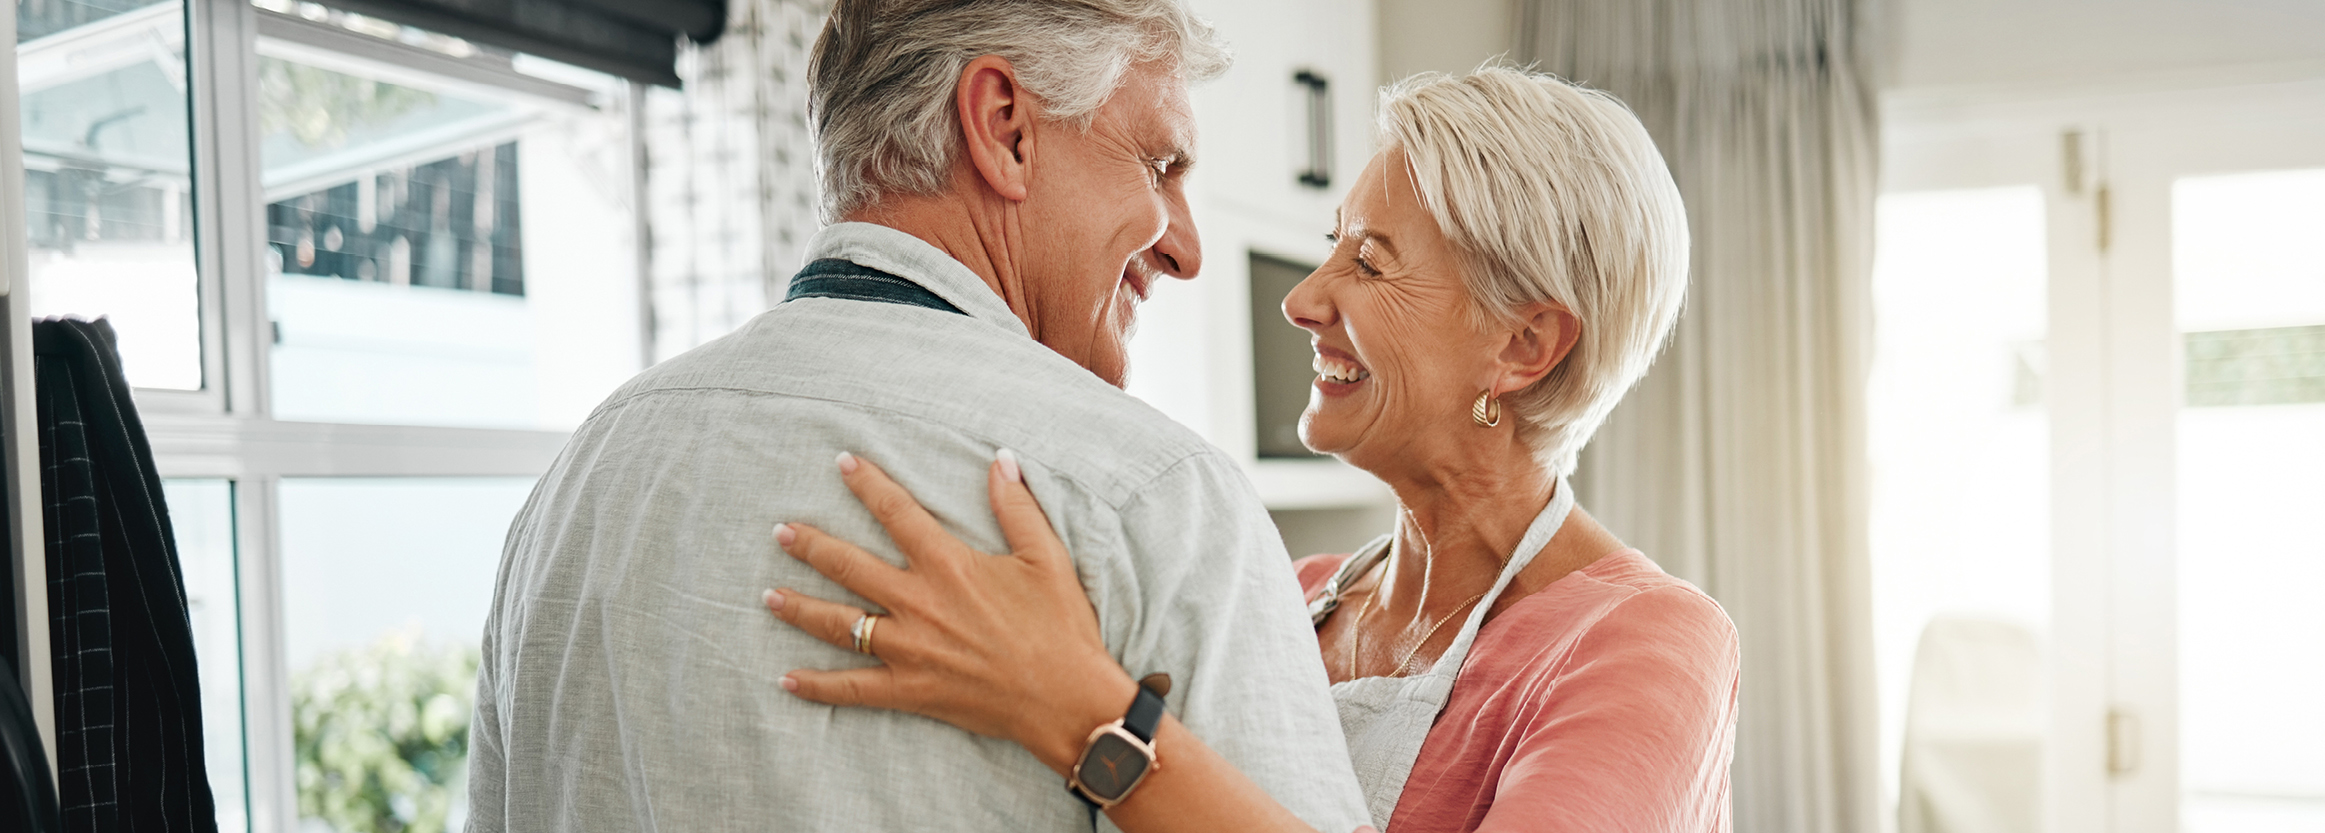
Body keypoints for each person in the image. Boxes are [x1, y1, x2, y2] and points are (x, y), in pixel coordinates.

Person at [464, 1, 1372, 831]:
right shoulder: (1153, 499)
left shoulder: (575, 482)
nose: (1186, 247)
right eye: (1159, 164)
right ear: (1004, 128)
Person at [762, 67, 1741, 833]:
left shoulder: (1646, 644)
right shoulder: (1290, 591)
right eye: (1331, 246)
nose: (1303, 299)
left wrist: (1080, 712)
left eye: (1367, 262)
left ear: (1522, 346)